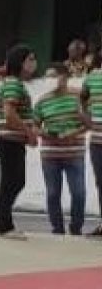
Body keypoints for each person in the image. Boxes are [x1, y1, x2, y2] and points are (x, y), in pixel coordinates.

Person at [34, 63, 88, 235]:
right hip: (50, 154)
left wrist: (75, 133)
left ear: (64, 77)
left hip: (74, 152)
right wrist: (45, 133)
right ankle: (57, 228)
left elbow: (90, 121)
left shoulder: (79, 96)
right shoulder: (42, 100)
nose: (50, 80)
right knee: (52, 194)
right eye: (47, 77)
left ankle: (76, 227)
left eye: (53, 76)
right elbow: (34, 125)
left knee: (79, 193)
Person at [0, 45, 39, 240]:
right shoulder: (13, 84)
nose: (34, 63)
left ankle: (3, 223)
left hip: (11, 140)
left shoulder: (15, 84)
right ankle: (3, 224)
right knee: (13, 182)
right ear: (20, 63)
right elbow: (10, 114)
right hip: (8, 140)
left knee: (12, 182)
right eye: (30, 59)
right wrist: (29, 133)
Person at [80, 51, 102, 236]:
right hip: (97, 140)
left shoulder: (91, 78)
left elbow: (81, 103)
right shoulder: (92, 78)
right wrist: (89, 123)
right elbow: (81, 102)